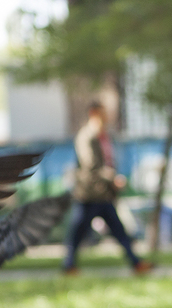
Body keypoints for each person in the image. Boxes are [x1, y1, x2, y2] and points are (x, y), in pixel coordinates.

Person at [63, 101, 151, 275]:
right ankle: (69, 265)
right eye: (103, 113)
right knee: (78, 231)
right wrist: (112, 178)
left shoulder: (104, 136)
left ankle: (136, 262)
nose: (106, 117)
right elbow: (90, 165)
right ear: (94, 114)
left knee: (118, 230)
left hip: (104, 194)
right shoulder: (86, 137)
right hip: (89, 194)